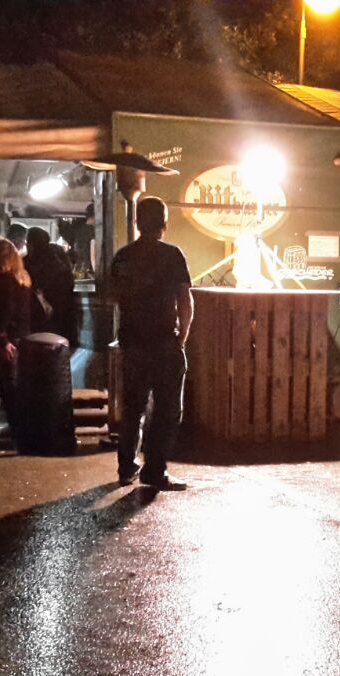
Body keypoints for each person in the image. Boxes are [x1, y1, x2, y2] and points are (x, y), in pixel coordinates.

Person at [109, 197, 191, 491]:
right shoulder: (173, 255)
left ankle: (126, 467)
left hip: (132, 341)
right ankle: (154, 470)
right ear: (164, 223)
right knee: (167, 409)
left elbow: (114, 297)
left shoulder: (122, 257)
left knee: (133, 407)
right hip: (164, 341)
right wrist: (182, 335)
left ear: (137, 222)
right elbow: (185, 299)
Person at [0, 239, 31, 432]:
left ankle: (15, 427)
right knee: (14, 383)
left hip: (8, 338)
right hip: (21, 335)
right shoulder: (23, 277)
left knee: (6, 382)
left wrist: (0, 338)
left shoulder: (5, 280)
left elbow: (5, 312)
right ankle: (17, 426)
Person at [24, 226, 76, 342]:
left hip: (41, 314)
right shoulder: (59, 255)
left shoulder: (31, 261)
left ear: (31, 244)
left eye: (28, 243)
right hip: (64, 310)